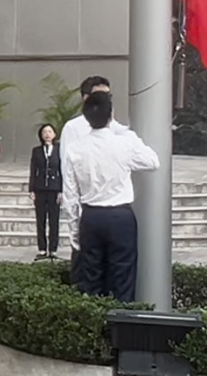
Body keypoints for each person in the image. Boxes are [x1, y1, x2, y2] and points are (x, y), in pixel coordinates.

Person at [62, 91, 159, 303]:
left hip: (90, 217)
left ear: (86, 117)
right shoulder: (124, 143)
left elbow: (70, 195)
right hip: (119, 216)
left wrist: (74, 230)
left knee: (91, 280)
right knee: (122, 277)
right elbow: (153, 162)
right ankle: (122, 319)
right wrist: (129, 135)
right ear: (112, 114)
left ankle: (94, 320)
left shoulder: (74, 149)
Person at [28, 124, 63, 260]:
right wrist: (31, 189)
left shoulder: (59, 150)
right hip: (40, 188)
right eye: (44, 132)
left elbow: (62, 170)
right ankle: (42, 248)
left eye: (49, 132)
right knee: (40, 219)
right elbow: (33, 170)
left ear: (54, 134)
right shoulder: (37, 151)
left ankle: (53, 249)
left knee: (54, 220)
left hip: (54, 189)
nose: (47, 134)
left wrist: (62, 190)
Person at [60, 76, 129, 143]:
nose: (105, 99)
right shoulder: (72, 128)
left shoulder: (115, 126)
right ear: (86, 98)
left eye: (108, 95)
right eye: (100, 95)